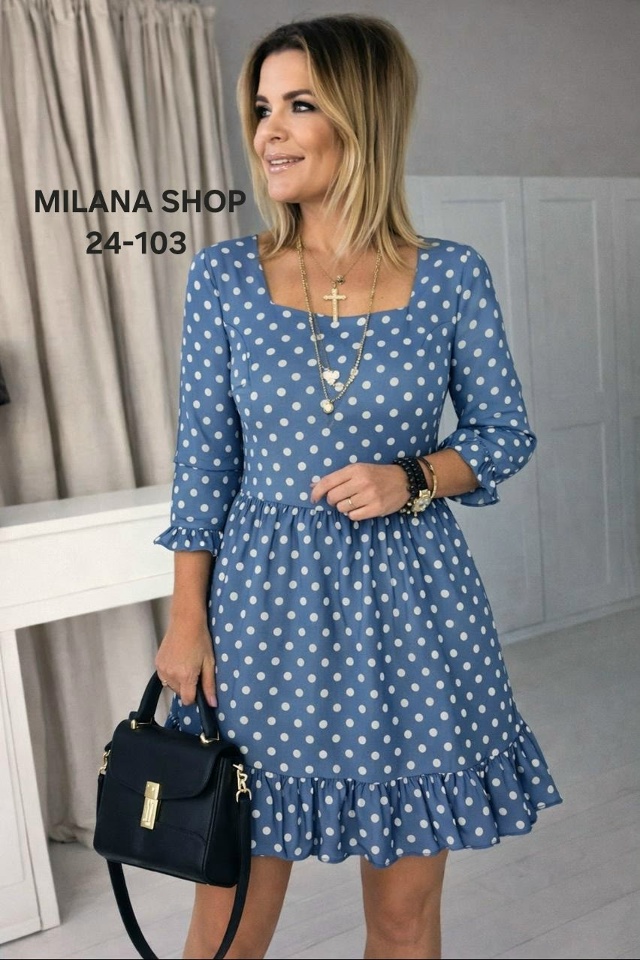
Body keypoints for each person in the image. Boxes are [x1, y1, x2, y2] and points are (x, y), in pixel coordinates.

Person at [154, 14, 562, 960]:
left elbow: (504, 435)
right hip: (262, 613)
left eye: (299, 105)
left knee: (405, 919)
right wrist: (185, 617)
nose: (270, 131)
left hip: (414, 609)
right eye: (262, 108)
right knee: (226, 925)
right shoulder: (225, 277)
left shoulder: (451, 276)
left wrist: (411, 477)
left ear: (362, 116)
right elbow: (203, 465)